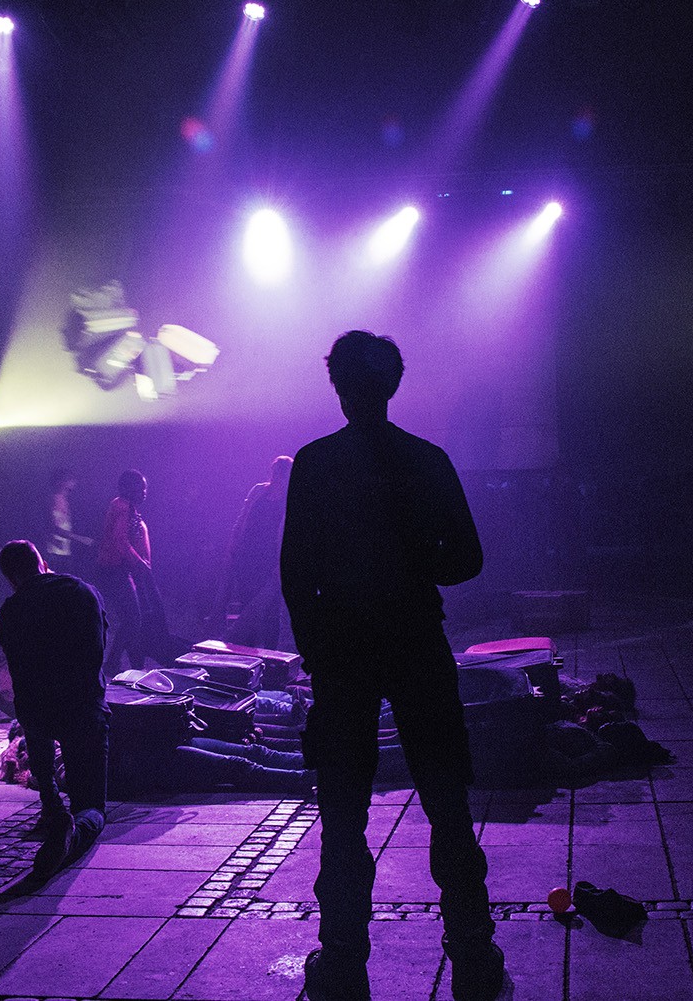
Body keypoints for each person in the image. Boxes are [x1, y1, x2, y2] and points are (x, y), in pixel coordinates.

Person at [281, 331, 502, 1001]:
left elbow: (295, 572)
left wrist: (318, 649)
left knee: (343, 811)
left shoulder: (316, 464)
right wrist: (416, 557)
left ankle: (343, 956)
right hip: (415, 641)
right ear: (392, 385)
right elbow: (468, 559)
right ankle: (471, 948)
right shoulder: (425, 459)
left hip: (344, 652)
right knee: (446, 801)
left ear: (339, 386)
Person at [0, 540, 110, 876]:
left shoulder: (10, 612)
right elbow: (96, 654)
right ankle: (74, 830)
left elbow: (21, 676)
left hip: (38, 713)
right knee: (92, 806)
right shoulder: (81, 592)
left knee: (32, 714)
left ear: (11, 578)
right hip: (83, 709)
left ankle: (50, 804)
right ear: (42, 562)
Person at [95, 469, 167, 674]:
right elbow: (120, 541)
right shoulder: (122, 507)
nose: (145, 492)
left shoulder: (128, 509)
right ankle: (113, 663)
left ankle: (136, 665)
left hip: (123, 571)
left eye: (146, 488)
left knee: (136, 619)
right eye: (141, 488)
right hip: (114, 570)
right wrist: (139, 562)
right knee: (134, 619)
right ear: (129, 489)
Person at [217, 455, 292, 648]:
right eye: (275, 472)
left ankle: (270, 657)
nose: (277, 477)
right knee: (245, 602)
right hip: (247, 556)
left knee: (270, 609)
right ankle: (247, 656)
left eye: (281, 474)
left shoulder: (290, 500)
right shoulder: (259, 491)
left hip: (269, 560)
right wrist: (233, 544)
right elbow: (242, 519)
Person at [43, 468, 93, 577]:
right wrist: (80, 539)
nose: (73, 482)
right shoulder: (54, 500)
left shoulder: (64, 500)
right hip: (55, 553)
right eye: (70, 479)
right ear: (61, 482)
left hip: (63, 553)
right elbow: (54, 528)